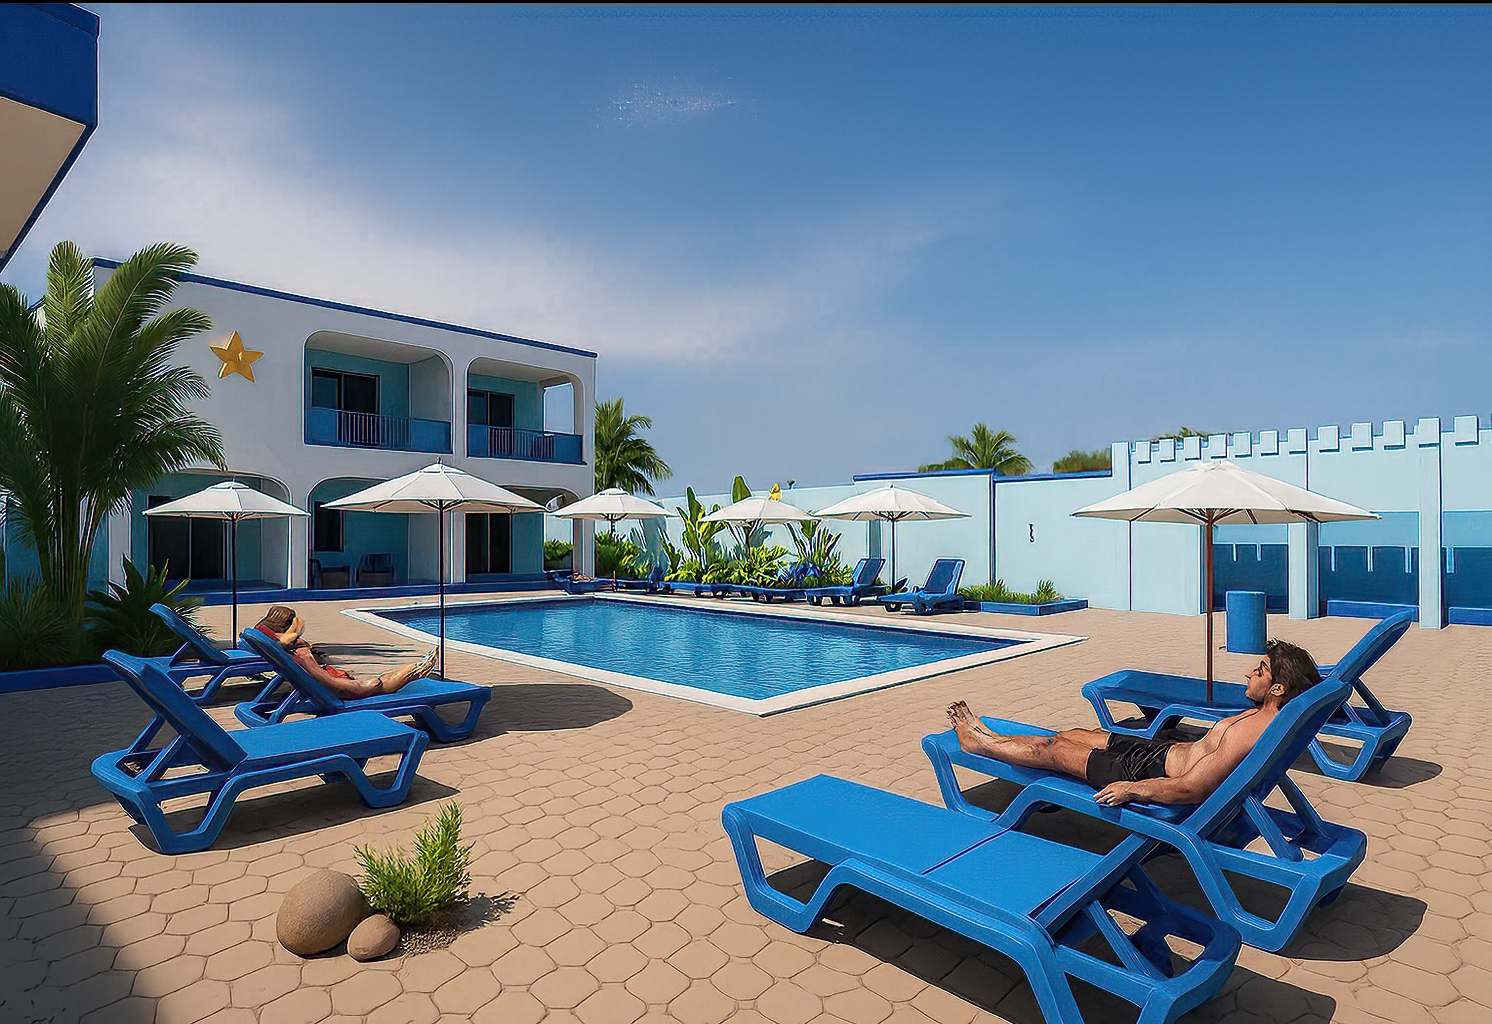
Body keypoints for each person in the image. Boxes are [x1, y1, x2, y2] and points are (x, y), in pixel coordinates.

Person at [946, 638, 1321, 807]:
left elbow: (1191, 789)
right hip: (1162, 753)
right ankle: (992, 735)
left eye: (1259, 671)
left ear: (1277, 688)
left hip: (1149, 773)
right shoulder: (1272, 714)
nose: (1248, 673)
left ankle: (979, 742)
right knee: (1080, 735)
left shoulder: (1250, 734)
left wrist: (1133, 789)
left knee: (1055, 749)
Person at [253, 605, 437, 698]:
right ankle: (420, 668)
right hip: (342, 690)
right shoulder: (300, 654)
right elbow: (334, 684)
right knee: (386, 681)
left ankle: (419, 668)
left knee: (388, 677)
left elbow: (283, 639)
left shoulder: (279, 648)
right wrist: (366, 686)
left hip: (326, 687)